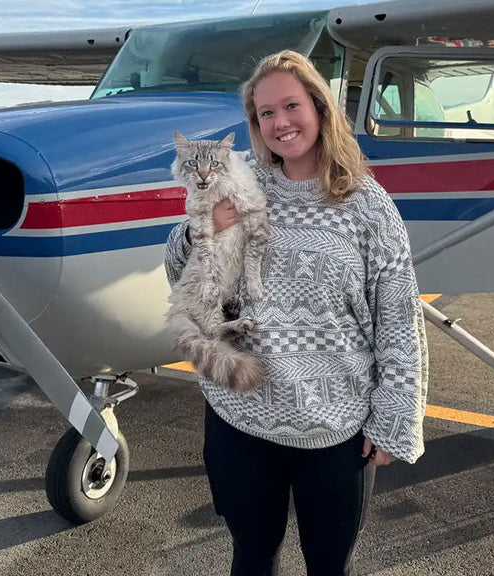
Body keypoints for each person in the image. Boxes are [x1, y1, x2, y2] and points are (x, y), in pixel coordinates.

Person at [163, 49, 427, 576]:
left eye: (291, 105)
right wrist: (200, 228)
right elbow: (179, 270)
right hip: (241, 415)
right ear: (256, 125)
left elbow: (398, 318)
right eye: (266, 113)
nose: (280, 123)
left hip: (332, 429)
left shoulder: (369, 207)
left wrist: (395, 415)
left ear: (320, 107)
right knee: (252, 557)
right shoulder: (242, 190)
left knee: (330, 565)